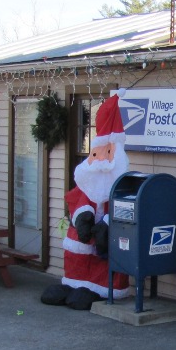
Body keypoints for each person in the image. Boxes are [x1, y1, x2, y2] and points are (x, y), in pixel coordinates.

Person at [41, 93, 131, 309]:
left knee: (107, 251)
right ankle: (72, 284)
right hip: (84, 237)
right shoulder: (88, 183)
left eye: (107, 154)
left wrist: (106, 225)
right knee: (76, 242)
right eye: (96, 154)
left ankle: (99, 289)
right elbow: (77, 201)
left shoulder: (121, 184)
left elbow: (123, 209)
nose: (100, 161)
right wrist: (83, 217)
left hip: (107, 238)